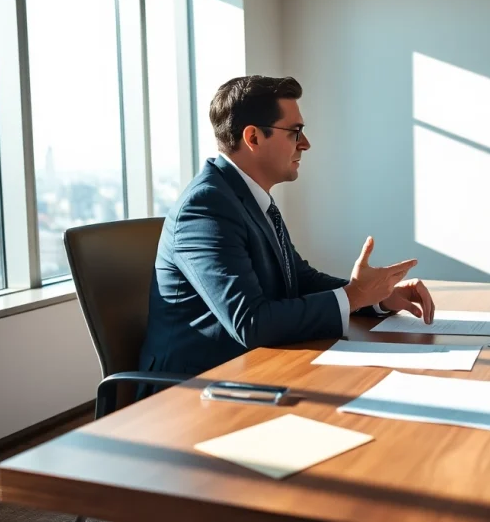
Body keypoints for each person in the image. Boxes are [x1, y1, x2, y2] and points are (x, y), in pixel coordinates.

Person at [139, 76, 435, 387]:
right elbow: (250, 322)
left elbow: (298, 280)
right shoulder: (205, 207)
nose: (305, 143)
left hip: (250, 370)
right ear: (253, 137)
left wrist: (376, 296)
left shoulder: (249, 198)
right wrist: (354, 295)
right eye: (295, 132)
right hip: (189, 390)